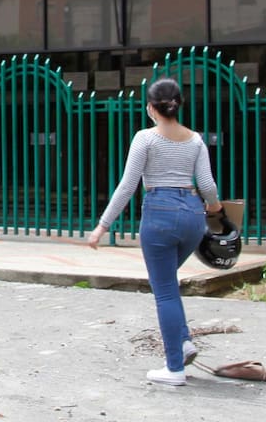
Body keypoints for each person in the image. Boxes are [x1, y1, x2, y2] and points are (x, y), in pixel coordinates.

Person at [85, 77, 222, 386]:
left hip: (160, 213)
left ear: (151, 108)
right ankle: (184, 341)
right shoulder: (196, 140)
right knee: (167, 284)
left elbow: (127, 186)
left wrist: (102, 225)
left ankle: (174, 368)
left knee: (164, 292)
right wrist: (214, 208)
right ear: (179, 105)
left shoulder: (145, 138)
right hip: (191, 215)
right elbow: (209, 185)